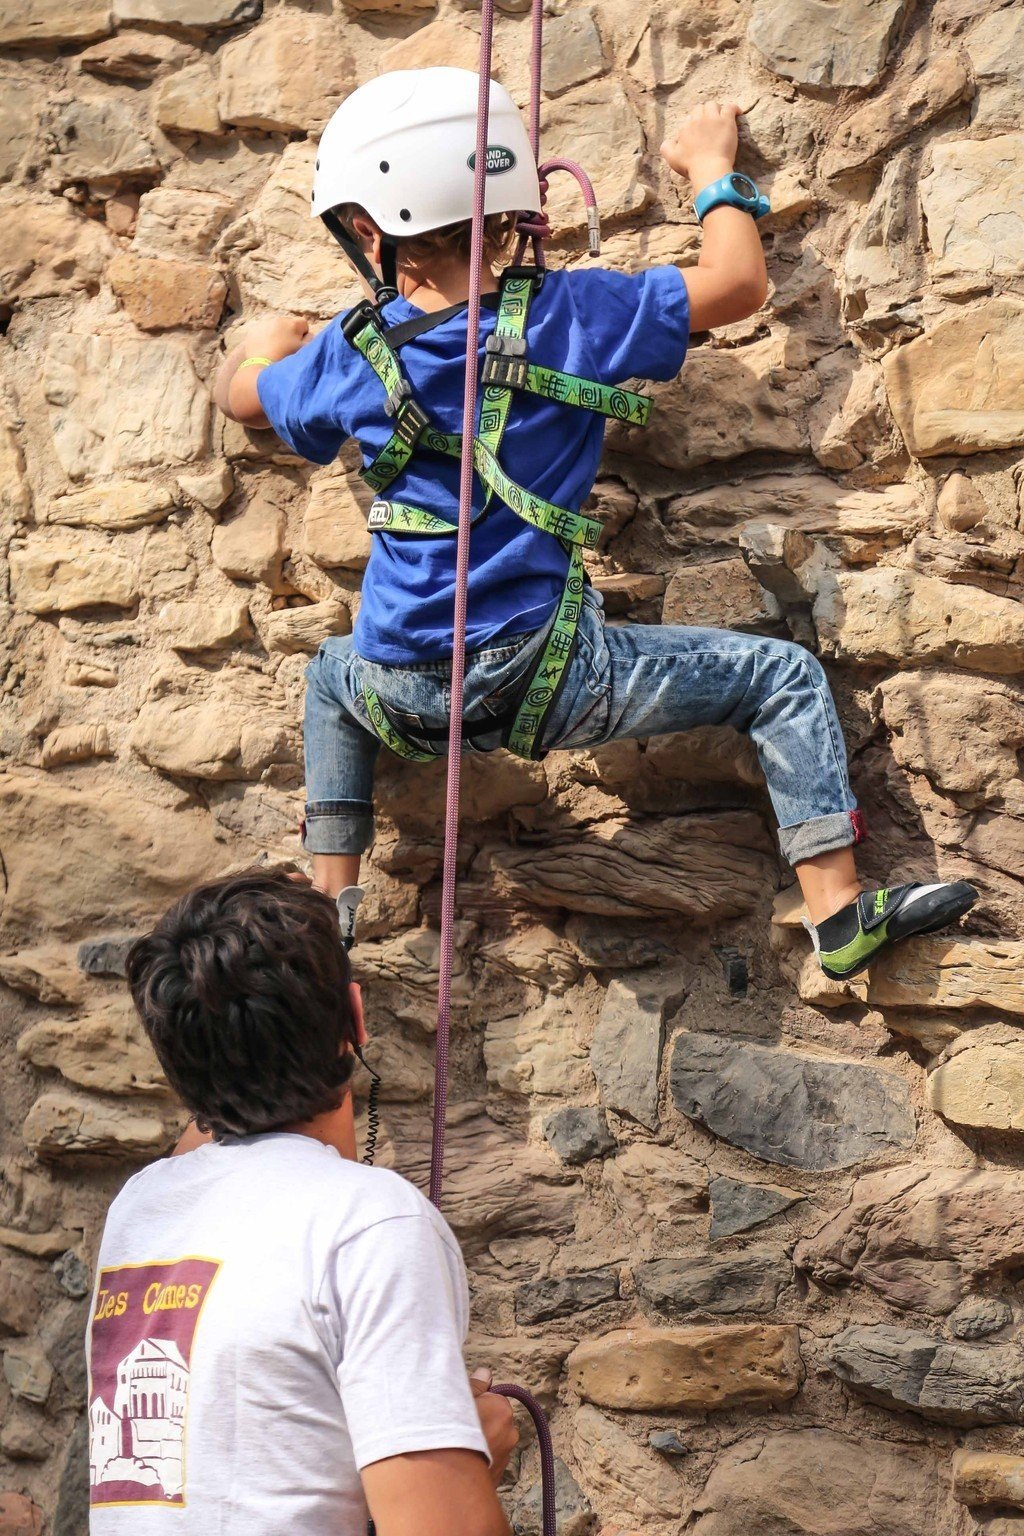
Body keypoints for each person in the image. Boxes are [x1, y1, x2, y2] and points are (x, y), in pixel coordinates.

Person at [213, 68, 976, 981]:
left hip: (397, 687)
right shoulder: (573, 312)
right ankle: (837, 909)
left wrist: (262, 342)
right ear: (507, 204)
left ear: (371, 230)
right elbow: (737, 283)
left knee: (330, 678)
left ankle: (326, 915)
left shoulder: (343, 354)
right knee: (780, 676)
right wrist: (708, 170)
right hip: (548, 678)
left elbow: (243, 399)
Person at [87, 869, 516, 1536]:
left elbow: (220, 1113)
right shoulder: (372, 1224)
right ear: (358, 1015)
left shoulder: (140, 1211)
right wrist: (471, 1470)